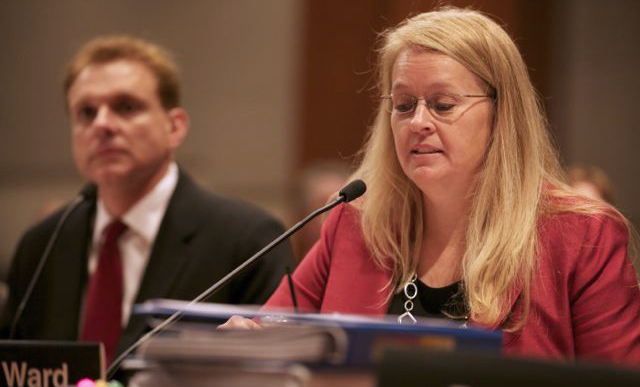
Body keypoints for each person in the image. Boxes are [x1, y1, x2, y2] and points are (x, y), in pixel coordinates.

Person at [222, 7, 640, 365]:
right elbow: (267, 334)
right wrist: (244, 341)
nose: (418, 122)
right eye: (403, 105)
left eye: (443, 105)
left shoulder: (582, 236)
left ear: (502, 114)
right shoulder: (352, 226)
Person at [1, 35, 295, 363]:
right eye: (86, 112)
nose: (102, 124)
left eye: (126, 107)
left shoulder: (248, 241)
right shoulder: (41, 246)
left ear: (175, 127)